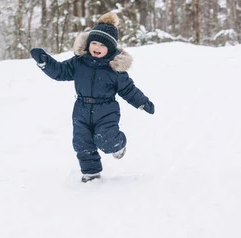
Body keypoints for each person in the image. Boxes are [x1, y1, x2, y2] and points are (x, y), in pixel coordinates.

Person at [30, 12, 155, 183]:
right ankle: (91, 173)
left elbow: (128, 90)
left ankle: (118, 145)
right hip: (81, 109)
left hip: (106, 110)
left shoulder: (115, 70)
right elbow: (60, 72)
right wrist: (45, 62)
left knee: (106, 138)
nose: (96, 47)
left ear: (110, 49)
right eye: (94, 42)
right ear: (88, 44)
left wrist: (142, 102)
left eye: (102, 45)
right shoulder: (79, 62)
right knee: (82, 142)